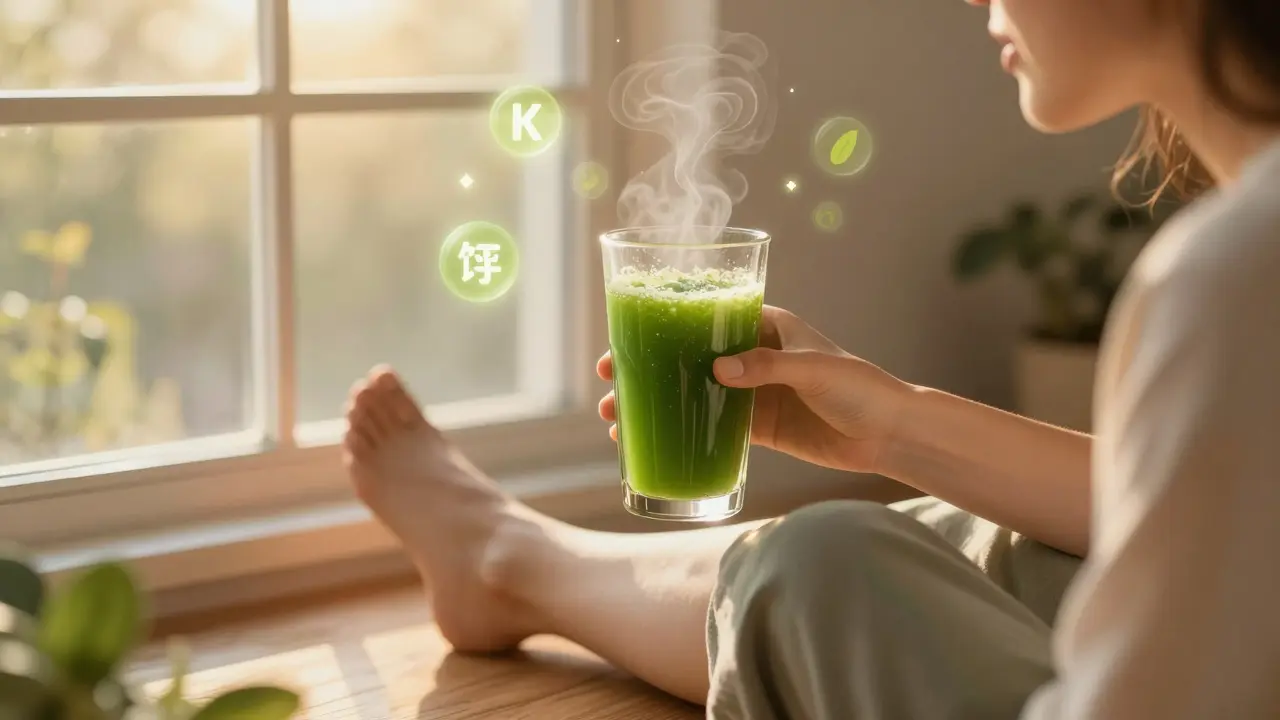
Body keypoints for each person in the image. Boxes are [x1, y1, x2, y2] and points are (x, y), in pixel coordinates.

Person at [340, 0, 1280, 716]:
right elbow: (1197, 512)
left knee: (822, 559)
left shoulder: (1233, 276)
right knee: (993, 541)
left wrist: (811, 564)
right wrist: (896, 424)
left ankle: (512, 561)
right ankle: (513, 559)